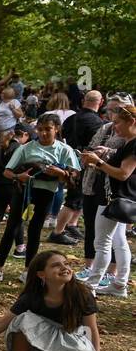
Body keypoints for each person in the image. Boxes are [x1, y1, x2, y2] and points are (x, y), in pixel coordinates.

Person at [0, 114, 80, 283]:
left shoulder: (65, 150)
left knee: (35, 230)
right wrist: (19, 176)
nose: (43, 133)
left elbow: (75, 175)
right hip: (24, 192)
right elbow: (7, 171)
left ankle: (29, 271)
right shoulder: (26, 148)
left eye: (48, 129)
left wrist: (61, 173)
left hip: (46, 193)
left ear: (56, 129)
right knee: (12, 227)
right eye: (40, 129)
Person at [79, 100, 136, 300]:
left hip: (116, 198)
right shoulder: (128, 142)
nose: (115, 127)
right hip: (116, 197)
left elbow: (123, 174)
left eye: (119, 123)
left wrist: (99, 162)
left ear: (132, 122)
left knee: (102, 242)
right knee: (119, 241)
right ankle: (119, 284)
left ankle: (91, 285)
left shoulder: (134, 144)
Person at [55, 89, 105, 242]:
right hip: (84, 163)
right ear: (101, 102)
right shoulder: (97, 123)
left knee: (82, 196)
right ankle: (57, 232)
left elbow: (60, 135)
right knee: (74, 198)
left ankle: (72, 224)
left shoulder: (72, 118)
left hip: (72, 161)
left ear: (84, 100)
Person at [0, 123, 32, 259]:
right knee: (18, 217)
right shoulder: (19, 148)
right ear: (24, 134)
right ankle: (20, 248)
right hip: (12, 184)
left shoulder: (1, 146)